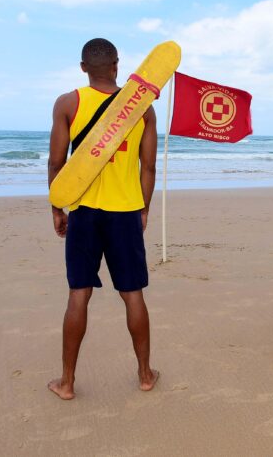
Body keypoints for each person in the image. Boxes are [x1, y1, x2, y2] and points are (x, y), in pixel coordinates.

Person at [47, 38, 159, 399]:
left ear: (83, 68)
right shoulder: (142, 108)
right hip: (124, 213)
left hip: (83, 213)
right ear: (116, 65)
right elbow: (149, 166)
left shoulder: (68, 103)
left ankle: (66, 383)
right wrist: (143, 208)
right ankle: (144, 375)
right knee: (132, 294)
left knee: (78, 294)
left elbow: (56, 162)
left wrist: (57, 207)